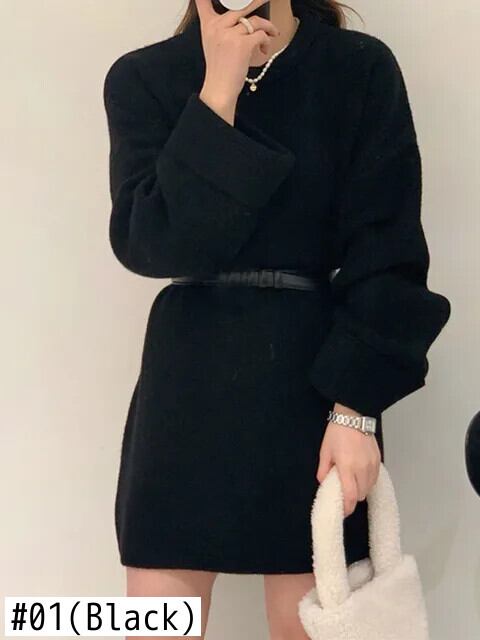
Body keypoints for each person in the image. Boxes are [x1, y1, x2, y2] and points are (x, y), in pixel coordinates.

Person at [103, 0, 451, 637]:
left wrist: (356, 408)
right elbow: (151, 243)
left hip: (313, 387)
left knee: (313, 624)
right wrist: (217, 92)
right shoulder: (145, 77)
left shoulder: (356, 69)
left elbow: (389, 255)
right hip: (186, 388)